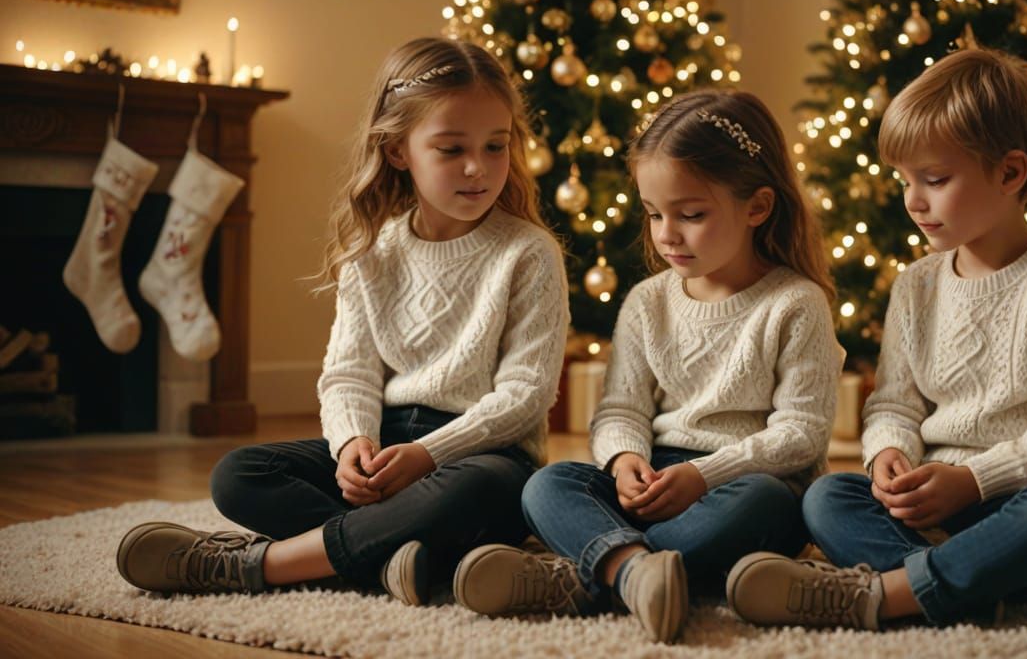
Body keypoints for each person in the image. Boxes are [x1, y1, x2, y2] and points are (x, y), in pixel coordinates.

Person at [116, 37, 568, 607]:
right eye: (451, 149)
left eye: (496, 146)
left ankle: (263, 565)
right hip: (388, 443)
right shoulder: (373, 251)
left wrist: (429, 456)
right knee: (238, 473)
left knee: (478, 488)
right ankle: (396, 561)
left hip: (485, 459)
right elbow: (348, 374)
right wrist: (353, 443)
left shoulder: (529, 252)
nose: (478, 167)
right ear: (399, 150)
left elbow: (526, 395)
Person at [727, 48, 1027, 630]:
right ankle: (951, 584)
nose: (914, 200)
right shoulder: (917, 285)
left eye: (935, 180)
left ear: (1011, 173)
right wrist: (889, 456)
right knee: (824, 497)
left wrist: (973, 481)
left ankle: (885, 595)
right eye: (905, 180)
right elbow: (895, 404)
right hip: (934, 505)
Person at [453, 90, 844, 642]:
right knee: (549, 483)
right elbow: (620, 409)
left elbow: (801, 434)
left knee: (765, 504)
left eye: (691, 215)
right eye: (655, 213)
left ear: (757, 207)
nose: (666, 234)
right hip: (654, 481)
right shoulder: (648, 301)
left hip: (743, 483)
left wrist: (702, 476)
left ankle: (585, 575)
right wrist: (624, 459)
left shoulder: (795, 303)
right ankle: (637, 571)